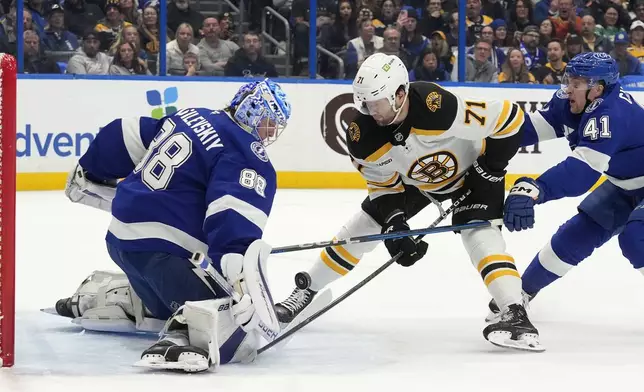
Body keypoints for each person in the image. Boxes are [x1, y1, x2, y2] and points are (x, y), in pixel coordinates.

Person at [274, 53, 544, 352]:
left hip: (475, 173)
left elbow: (510, 117)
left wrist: (490, 168)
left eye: (375, 102)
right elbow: (382, 186)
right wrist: (394, 223)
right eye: (362, 102)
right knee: (364, 226)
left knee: (480, 236)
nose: (367, 110)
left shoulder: (435, 106)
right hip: (417, 184)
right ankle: (303, 293)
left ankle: (515, 313)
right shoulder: (362, 134)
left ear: (400, 94)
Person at [57, 79, 292, 372]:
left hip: (120, 241)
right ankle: (185, 332)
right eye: (270, 121)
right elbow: (233, 216)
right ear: (254, 112)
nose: (270, 132)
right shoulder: (245, 151)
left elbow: (124, 133)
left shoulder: (192, 114)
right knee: (237, 332)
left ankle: (117, 297)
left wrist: (91, 168)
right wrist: (240, 285)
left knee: (161, 293)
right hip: (164, 252)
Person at [488, 53, 644, 318]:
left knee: (636, 239)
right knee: (576, 235)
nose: (568, 89)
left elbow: (582, 173)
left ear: (598, 89)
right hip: (625, 183)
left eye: (577, 83)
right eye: (568, 80)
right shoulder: (573, 103)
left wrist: (534, 189)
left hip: (629, 182)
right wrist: (481, 142)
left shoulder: (610, 113)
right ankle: (521, 295)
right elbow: (528, 130)